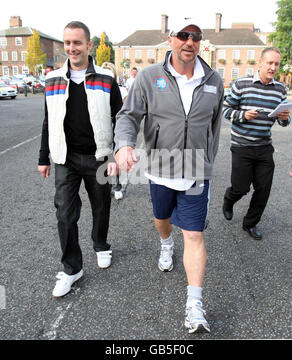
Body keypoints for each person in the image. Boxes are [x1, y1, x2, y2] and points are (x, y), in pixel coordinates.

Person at [114, 18, 224, 333]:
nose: (190, 42)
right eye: (183, 35)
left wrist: (208, 163)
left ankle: (194, 305)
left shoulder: (214, 81)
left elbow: (215, 127)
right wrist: (124, 145)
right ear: (170, 38)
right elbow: (128, 116)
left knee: (193, 234)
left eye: (196, 37)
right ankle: (165, 243)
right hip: (161, 168)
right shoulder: (149, 77)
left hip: (196, 172)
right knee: (162, 218)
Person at [38, 21, 123, 298]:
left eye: (77, 42)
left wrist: (117, 152)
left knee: (101, 206)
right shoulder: (52, 79)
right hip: (65, 158)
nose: (72, 48)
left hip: (98, 156)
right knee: (64, 214)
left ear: (88, 45)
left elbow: (121, 119)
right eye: (68, 43)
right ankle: (72, 268)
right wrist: (44, 157)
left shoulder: (106, 79)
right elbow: (48, 119)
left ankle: (101, 244)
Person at [222, 47, 291, 240]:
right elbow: (225, 109)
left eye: (276, 64)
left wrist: (285, 118)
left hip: (264, 147)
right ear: (260, 63)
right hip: (241, 146)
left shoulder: (280, 89)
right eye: (269, 63)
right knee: (241, 188)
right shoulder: (241, 84)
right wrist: (242, 115)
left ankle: (250, 223)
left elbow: (284, 121)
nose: (273, 67)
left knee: (263, 189)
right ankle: (229, 199)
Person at [101, 62, 127, 200]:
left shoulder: (121, 90)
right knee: (101, 160)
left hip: (115, 129)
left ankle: (117, 186)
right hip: (100, 131)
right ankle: (103, 186)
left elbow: (124, 112)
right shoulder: (96, 88)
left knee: (114, 159)